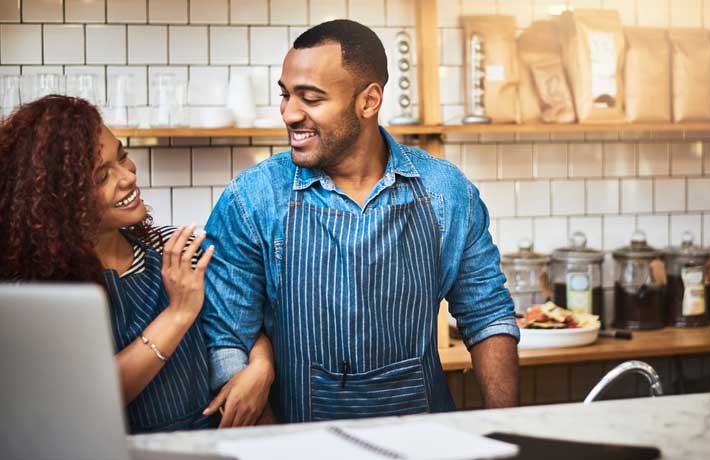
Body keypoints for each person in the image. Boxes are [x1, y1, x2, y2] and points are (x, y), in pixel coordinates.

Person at [202, 19, 520, 423]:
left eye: (310, 99)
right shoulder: (252, 199)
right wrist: (275, 446)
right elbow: (226, 338)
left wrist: (507, 427)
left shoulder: (445, 192)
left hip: (425, 440)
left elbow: (488, 316)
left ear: (368, 101)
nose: (289, 114)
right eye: (285, 96)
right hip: (300, 444)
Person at [0, 95, 274, 433]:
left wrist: (261, 366)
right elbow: (82, 399)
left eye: (123, 157)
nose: (128, 176)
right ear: (60, 199)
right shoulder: (35, 294)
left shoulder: (174, 247)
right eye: (102, 176)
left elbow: (238, 317)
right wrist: (178, 313)